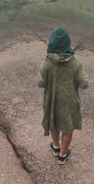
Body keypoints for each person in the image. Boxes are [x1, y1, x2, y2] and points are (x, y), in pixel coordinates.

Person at [38, 26, 89, 164]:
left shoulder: (46, 63)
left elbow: (40, 83)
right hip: (69, 102)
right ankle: (62, 154)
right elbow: (84, 84)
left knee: (54, 125)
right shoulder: (75, 63)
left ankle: (55, 147)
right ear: (67, 43)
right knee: (68, 128)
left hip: (52, 101)